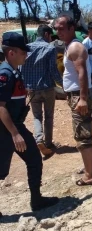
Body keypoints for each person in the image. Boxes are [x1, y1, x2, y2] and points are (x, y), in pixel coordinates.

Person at [0, 32, 59, 215]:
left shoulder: (14, 71)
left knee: (34, 159)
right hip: (6, 129)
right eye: (23, 52)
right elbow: (0, 107)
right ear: (11, 53)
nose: (26, 54)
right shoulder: (5, 73)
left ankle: (36, 199)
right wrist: (15, 134)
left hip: (14, 127)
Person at [54, 15, 92, 186]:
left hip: (79, 95)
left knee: (82, 135)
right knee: (86, 131)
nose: (58, 32)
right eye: (56, 28)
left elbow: (82, 73)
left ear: (72, 28)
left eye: (62, 28)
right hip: (76, 95)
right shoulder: (69, 46)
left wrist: (82, 99)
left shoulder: (74, 47)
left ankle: (89, 175)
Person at [21, 25, 63, 156]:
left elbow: (22, 68)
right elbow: (53, 70)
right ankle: (48, 143)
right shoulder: (50, 48)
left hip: (32, 89)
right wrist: (63, 85)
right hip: (47, 88)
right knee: (49, 116)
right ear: (46, 34)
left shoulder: (27, 48)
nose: (51, 38)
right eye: (50, 36)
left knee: (37, 116)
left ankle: (39, 139)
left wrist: (25, 86)